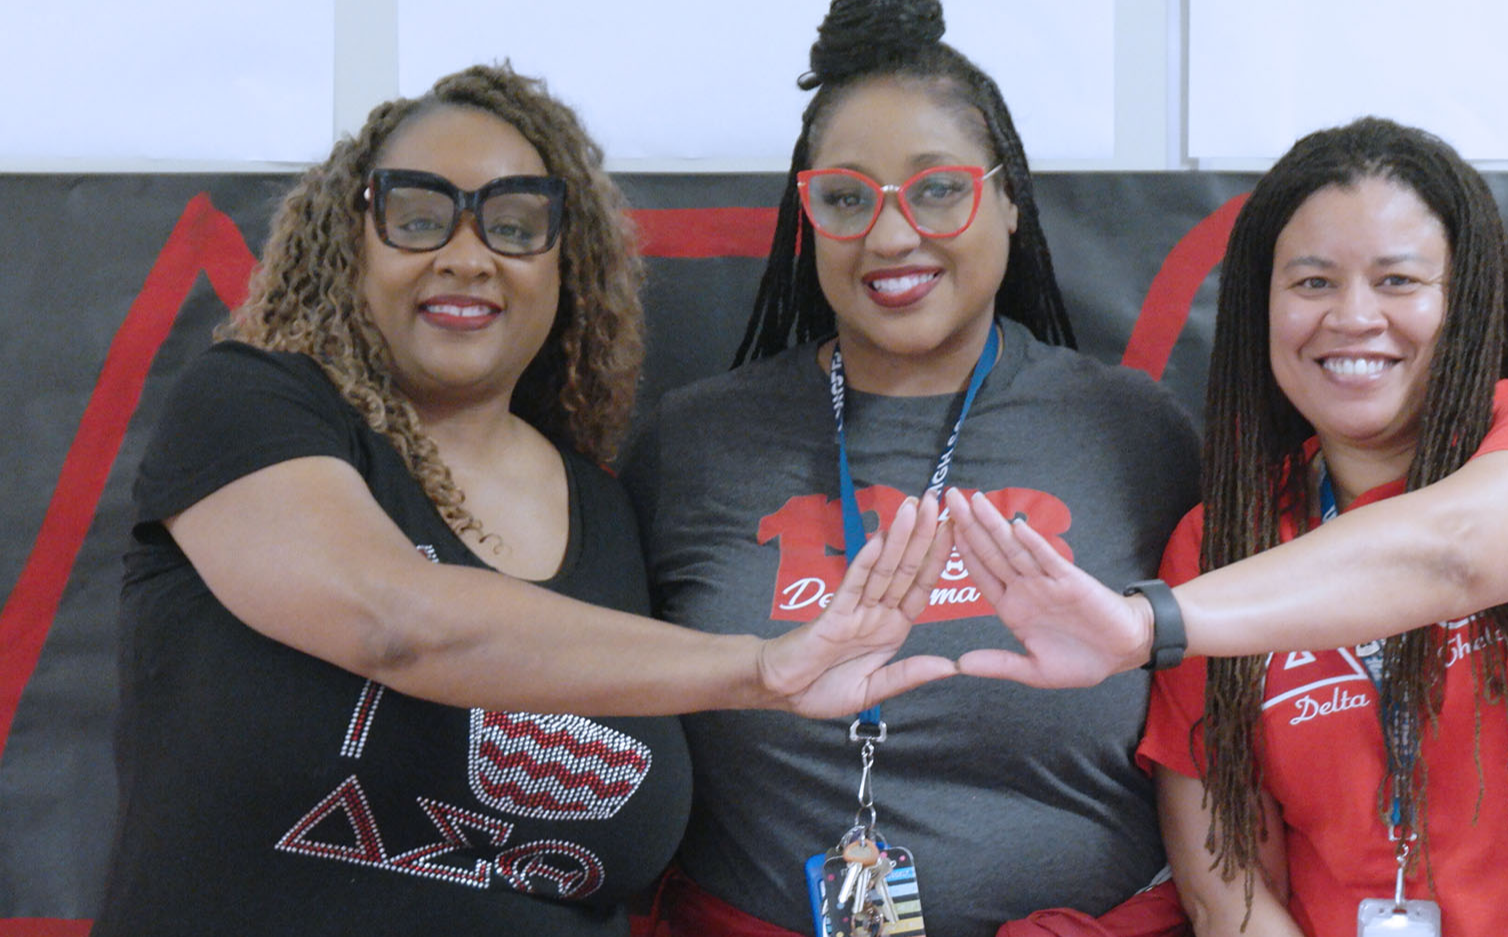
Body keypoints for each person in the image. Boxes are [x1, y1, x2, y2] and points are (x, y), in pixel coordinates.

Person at [91, 65, 960, 937]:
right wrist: (761, 669)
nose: (467, 256)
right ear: (352, 239)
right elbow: (390, 619)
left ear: (565, 266)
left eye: (514, 226)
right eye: (420, 217)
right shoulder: (252, 405)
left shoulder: (610, 513)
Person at [942, 116, 1508, 936]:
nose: (1353, 317)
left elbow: (1453, 553)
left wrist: (1148, 622)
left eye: (1398, 280)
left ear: (1465, 299)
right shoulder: (1219, 543)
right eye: (1313, 282)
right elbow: (1230, 888)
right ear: (1263, 306)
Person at [619, 2, 1203, 934]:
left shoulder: (1136, 434)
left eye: (938, 190)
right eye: (848, 198)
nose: (891, 238)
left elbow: (1217, 733)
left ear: (1009, 198)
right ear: (808, 217)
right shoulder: (690, 445)